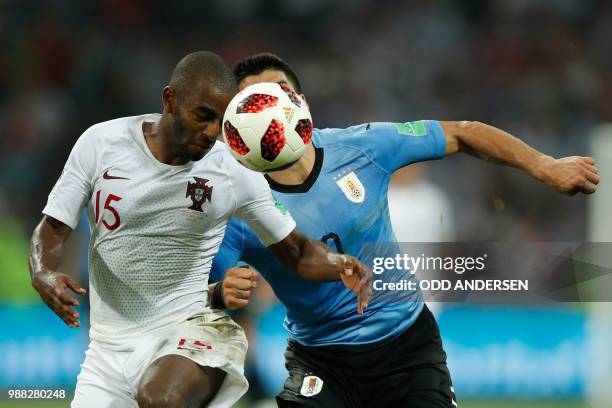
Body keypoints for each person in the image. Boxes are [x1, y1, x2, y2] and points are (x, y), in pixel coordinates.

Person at [210, 52, 599, 408]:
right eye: (252, 103)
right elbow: (202, 294)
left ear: (301, 104)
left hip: (407, 348)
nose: (268, 112)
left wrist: (545, 165)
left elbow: (463, 132)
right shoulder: (235, 205)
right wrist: (220, 293)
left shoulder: (361, 148)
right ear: (235, 126)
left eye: (277, 94)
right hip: (321, 360)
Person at [28, 51, 371, 408]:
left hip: (194, 334)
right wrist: (42, 271)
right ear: (169, 100)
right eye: (203, 116)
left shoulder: (234, 171)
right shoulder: (101, 143)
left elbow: (296, 250)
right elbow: (53, 227)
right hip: (108, 350)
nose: (211, 132)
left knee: (161, 400)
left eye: (220, 122)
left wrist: (339, 264)